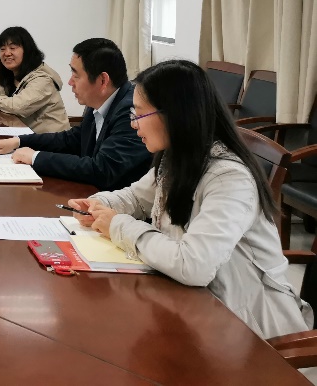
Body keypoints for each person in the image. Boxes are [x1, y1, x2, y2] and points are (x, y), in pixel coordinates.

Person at [66, 59, 312, 340]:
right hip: (196, 308)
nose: (133, 124)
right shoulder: (179, 156)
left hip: (250, 331)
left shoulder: (229, 178)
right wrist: (99, 204)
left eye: (140, 114)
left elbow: (195, 265)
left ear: (175, 115)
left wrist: (118, 225)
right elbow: (136, 197)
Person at [0, 38, 150, 190]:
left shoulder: (131, 111)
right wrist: (18, 141)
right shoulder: (99, 100)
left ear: (102, 80)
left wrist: (36, 158)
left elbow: (102, 169)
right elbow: (72, 139)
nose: (70, 82)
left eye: (76, 75)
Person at [0, 26, 70, 133]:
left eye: (12, 48)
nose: (7, 53)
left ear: (27, 50)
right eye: (2, 49)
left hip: (51, 141)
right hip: (27, 135)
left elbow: (20, 106)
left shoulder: (42, 79)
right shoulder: (16, 75)